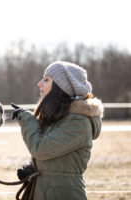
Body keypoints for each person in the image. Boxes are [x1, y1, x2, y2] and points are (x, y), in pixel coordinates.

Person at [12, 61, 103, 200]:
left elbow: (40, 149)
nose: (39, 83)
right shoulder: (61, 119)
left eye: (46, 79)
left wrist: (27, 118)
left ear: (61, 88)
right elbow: (57, 159)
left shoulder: (79, 123)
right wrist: (34, 169)